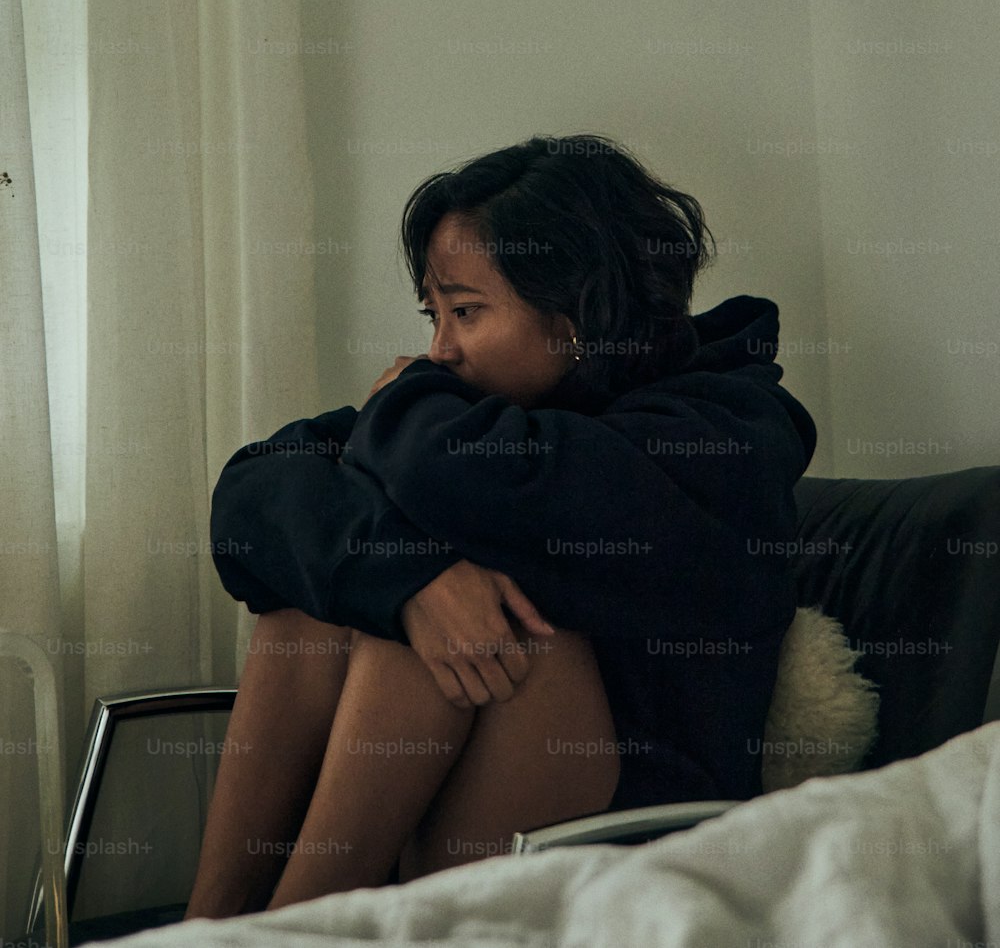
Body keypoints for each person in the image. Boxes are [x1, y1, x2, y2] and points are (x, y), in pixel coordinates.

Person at [184, 132, 816, 919]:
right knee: (323, 598)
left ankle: (300, 924)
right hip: (470, 803)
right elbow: (249, 495)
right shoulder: (485, 413)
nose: (436, 350)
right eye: (434, 314)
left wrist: (409, 549)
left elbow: (482, 484)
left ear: (577, 314)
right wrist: (406, 581)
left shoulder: (717, 437)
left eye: (466, 312)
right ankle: (208, 926)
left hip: (641, 824)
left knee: (468, 613)